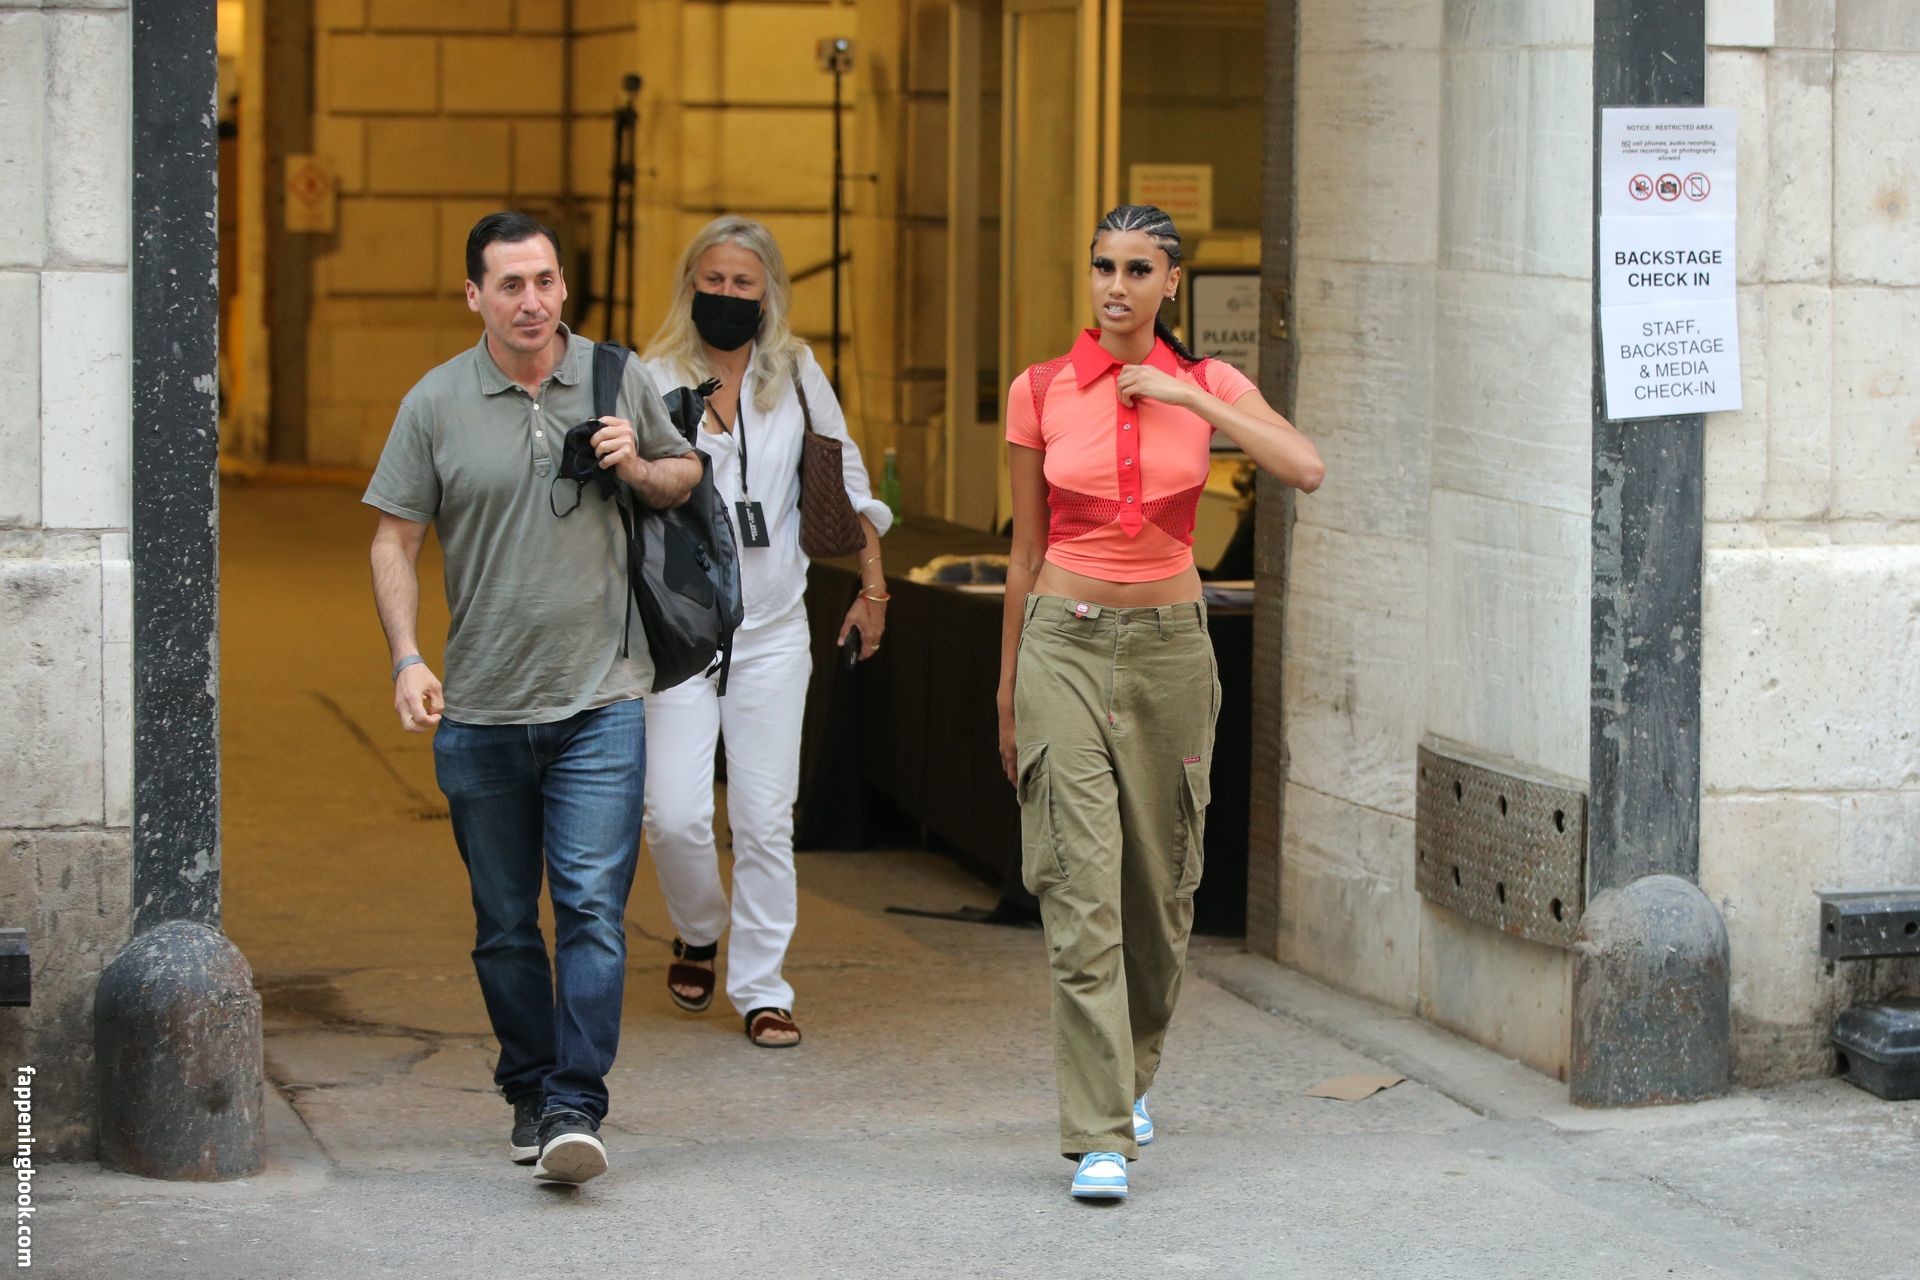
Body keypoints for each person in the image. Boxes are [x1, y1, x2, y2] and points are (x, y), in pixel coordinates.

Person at [365, 211, 702, 1185]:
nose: (532, 301)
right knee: (507, 923)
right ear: (474, 295)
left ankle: (574, 1102)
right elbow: (393, 538)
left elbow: (684, 473)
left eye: (545, 280)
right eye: (510, 284)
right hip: (479, 707)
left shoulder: (611, 375)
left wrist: (636, 462)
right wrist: (406, 657)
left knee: (591, 908)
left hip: (602, 698)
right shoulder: (435, 402)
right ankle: (527, 1082)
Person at [996, 204, 1324, 1201]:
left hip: (1172, 651)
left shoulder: (1209, 383)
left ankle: (1129, 1075)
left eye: (1139, 269)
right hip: (1062, 643)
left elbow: (1304, 466)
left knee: (1161, 889)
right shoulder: (1040, 389)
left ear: (1171, 282)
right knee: (1079, 890)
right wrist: (1008, 686)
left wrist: (1189, 395)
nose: (1116, 286)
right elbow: (1024, 551)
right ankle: (1100, 1132)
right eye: (1103, 266)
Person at [637, 216, 892, 1048]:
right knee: (673, 815)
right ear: (690, 284)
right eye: (712, 280)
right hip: (680, 635)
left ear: (769, 293)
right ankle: (698, 928)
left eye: (743, 283)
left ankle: (760, 988)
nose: (727, 294)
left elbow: (847, 482)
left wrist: (873, 588)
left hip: (776, 630)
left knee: (763, 819)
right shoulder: (651, 375)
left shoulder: (799, 372)